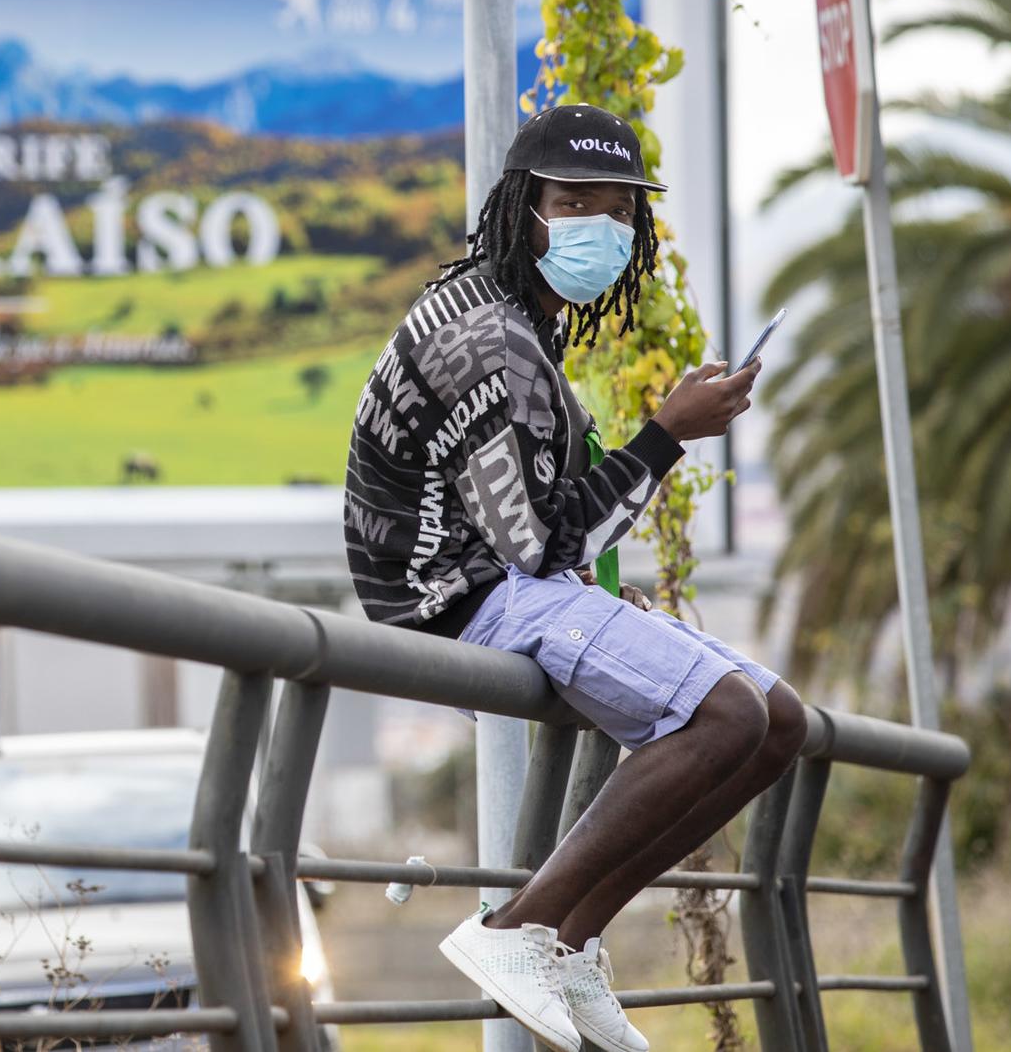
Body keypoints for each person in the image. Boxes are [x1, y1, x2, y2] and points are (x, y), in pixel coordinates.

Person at [341, 103, 807, 1052]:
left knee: (780, 722)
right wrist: (667, 435)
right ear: (524, 208)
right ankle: (517, 927)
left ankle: (568, 938)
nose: (598, 221)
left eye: (618, 207)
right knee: (728, 715)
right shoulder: (487, 339)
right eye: (573, 200)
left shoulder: (523, 325)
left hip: (511, 584)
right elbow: (533, 546)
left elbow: (545, 527)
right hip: (458, 603)